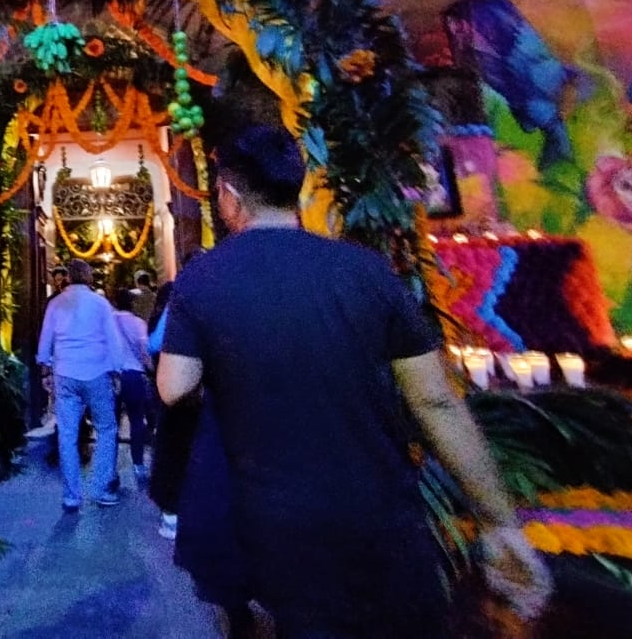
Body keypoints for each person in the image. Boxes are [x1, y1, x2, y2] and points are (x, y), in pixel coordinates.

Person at [157, 125, 551, 637]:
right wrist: (499, 522)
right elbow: (436, 402)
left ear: (229, 194)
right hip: (384, 519)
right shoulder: (367, 270)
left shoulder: (205, 278)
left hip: (278, 529)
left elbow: (173, 387)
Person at [37, 258, 126, 511]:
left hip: (65, 373)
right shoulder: (100, 304)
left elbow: (46, 340)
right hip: (97, 372)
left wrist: (45, 368)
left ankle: (71, 496)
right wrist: (117, 370)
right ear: (88, 277)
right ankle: (102, 489)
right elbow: (113, 340)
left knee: (67, 435)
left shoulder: (56, 304)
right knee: (106, 429)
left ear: (68, 277)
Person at [111, 287, 150, 481]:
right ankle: (138, 464)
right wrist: (151, 369)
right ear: (131, 303)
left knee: (111, 424)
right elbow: (144, 351)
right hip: (134, 375)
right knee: (136, 421)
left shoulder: (108, 321)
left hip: (112, 376)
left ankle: (110, 468)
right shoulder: (138, 323)